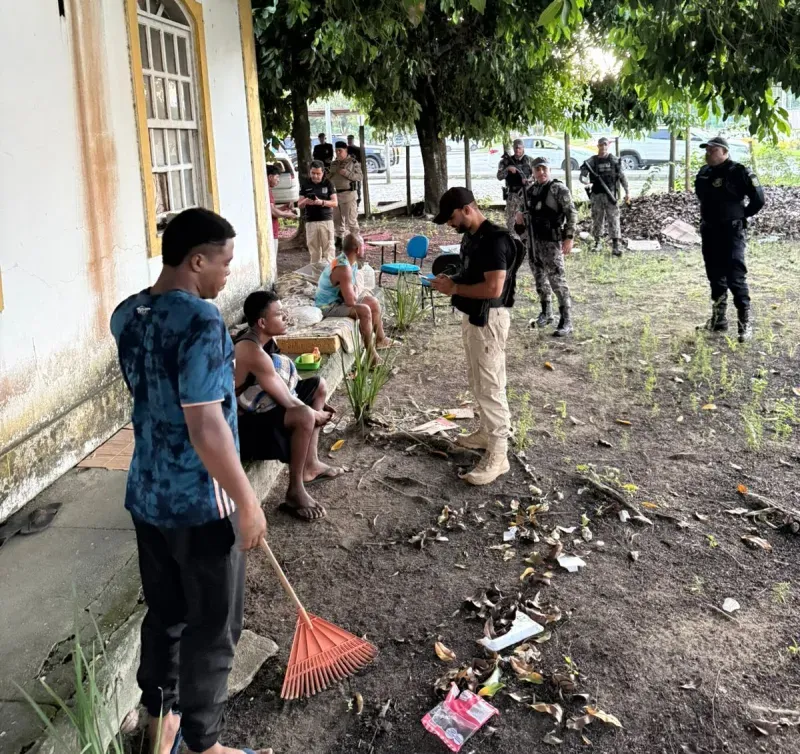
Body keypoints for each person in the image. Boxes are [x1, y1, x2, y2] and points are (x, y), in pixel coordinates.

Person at [110, 208, 272, 754]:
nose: (228, 273)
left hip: (146, 493)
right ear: (197, 260)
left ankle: (160, 724)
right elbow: (205, 424)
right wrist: (246, 501)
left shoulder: (127, 313)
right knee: (213, 628)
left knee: (166, 616)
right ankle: (204, 744)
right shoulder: (202, 322)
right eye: (224, 262)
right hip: (201, 503)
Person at [431, 188, 522, 486]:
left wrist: (455, 289)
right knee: (478, 380)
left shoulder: (495, 240)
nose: (450, 224)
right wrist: (452, 280)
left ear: (467, 209)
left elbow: (494, 289)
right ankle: (486, 433)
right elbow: (472, 275)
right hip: (473, 316)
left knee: (491, 386)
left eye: (452, 218)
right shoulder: (472, 237)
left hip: (489, 319)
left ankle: (499, 453)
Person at [235, 290, 343, 522]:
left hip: (260, 407)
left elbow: (286, 387)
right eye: (279, 314)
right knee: (304, 415)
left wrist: (317, 407)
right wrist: (316, 414)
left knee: (318, 386)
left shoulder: (266, 341)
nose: (286, 317)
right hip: (241, 427)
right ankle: (295, 491)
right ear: (262, 322)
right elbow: (287, 399)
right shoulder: (251, 350)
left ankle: (310, 465)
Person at [695, 135, 765, 342]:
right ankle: (719, 320)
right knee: (715, 275)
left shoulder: (739, 172)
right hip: (710, 231)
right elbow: (702, 197)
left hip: (731, 231)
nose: (708, 153)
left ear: (725, 152)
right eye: (707, 150)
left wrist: (740, 216)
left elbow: (758, 199)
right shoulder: (704, 172)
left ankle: (744, 324)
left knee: (735, 276)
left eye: (713, 150)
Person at [515, 156, 576, 337]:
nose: (541, 172)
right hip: (534, 243)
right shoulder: (530, 191)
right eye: (537, 169)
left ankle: (566, 320)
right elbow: (522, 214)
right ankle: (546, 312)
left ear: (549, 170)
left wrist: (569, 237)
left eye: (544, 169)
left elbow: (571, 213)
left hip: (551, 243)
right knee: (540, 279)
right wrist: (519, 218)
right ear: (533, 172)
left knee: (557, 280)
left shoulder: (558, 189)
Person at [315, 233, 398, 364]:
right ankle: (372, 357)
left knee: (373, 301)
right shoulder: (343, 267)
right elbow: (351, 301)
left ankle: (381, 339)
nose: (364, 249)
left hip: (339, 299)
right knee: (364, 310)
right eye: (363, 246)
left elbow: (352, 291)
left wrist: (353, 291)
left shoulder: (350, 261)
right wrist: (353, 291)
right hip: (328, 306)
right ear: (358, 249)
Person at [579, 136, 630, 256]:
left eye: (605, 144)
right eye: (601, 145)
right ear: (598, 146)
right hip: (596, 195)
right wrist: (585, 181)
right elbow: (582, 175)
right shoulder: (592, 161)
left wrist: (627, 192)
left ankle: (616, 245)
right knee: (597, 219)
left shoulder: (614, 160)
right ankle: (598, 243)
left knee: (614, 219)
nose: (603, 147)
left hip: (610, 195)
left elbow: (622, 177)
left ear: (608, 145)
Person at [299, 160, 338, 264]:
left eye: (318, 173)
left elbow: (335, 203)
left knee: (329, 251)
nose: (315, 176)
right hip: (311, 221)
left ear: (323, 173)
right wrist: (306, 201)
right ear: (309, 172)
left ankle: (331, 273)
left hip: (326, 220)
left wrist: (321, 202)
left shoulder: (328, 183)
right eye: (313, 173)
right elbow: (299, 204)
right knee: (314, 252)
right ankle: (315, 272)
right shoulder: (305, 184)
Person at [496, 138, 535, 237]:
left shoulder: (530, 161)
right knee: (511, 221)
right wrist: (508, 169)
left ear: (523, 148)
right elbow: (499, 176)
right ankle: (513, 241)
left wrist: (529, 180)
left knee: (526, 219)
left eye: (520, 148)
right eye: (516, 148)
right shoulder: (506, 161)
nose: (517, 150)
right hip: (512, 196)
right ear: (513, 148)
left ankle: (525, 241)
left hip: (526, 195)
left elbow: (536, 175)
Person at [329, 141, 363, 249]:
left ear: (346, 150)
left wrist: (347, 173)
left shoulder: (353, 162)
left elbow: (360, 177)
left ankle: (357, 242)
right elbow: (329, 176)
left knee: (351, 221)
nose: (338, 153)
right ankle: (339, 240)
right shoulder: (334, 163)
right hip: (335, 195)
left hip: (348, 195)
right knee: (337, 220)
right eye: (336, 151)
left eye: (340, 151)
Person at [267, 164, 297, 252]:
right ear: (270, 177)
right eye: (277, 177)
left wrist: (284, 207)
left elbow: (271, 210)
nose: (278, 180)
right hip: (270, 233)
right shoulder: (267, 192)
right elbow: (273, 212)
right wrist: (287, 214)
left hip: (273, 232)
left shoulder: (268, 190)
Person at [346, 134, 363, 207]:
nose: (349, 141)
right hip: (348, 171)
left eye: (350, 139)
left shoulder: (358, 149)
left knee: (357, 187)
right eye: (348, 139)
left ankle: (357, 201)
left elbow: (361, 161)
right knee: (348, 187)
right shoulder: (345, 149)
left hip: (356, 170)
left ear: (353, 140)